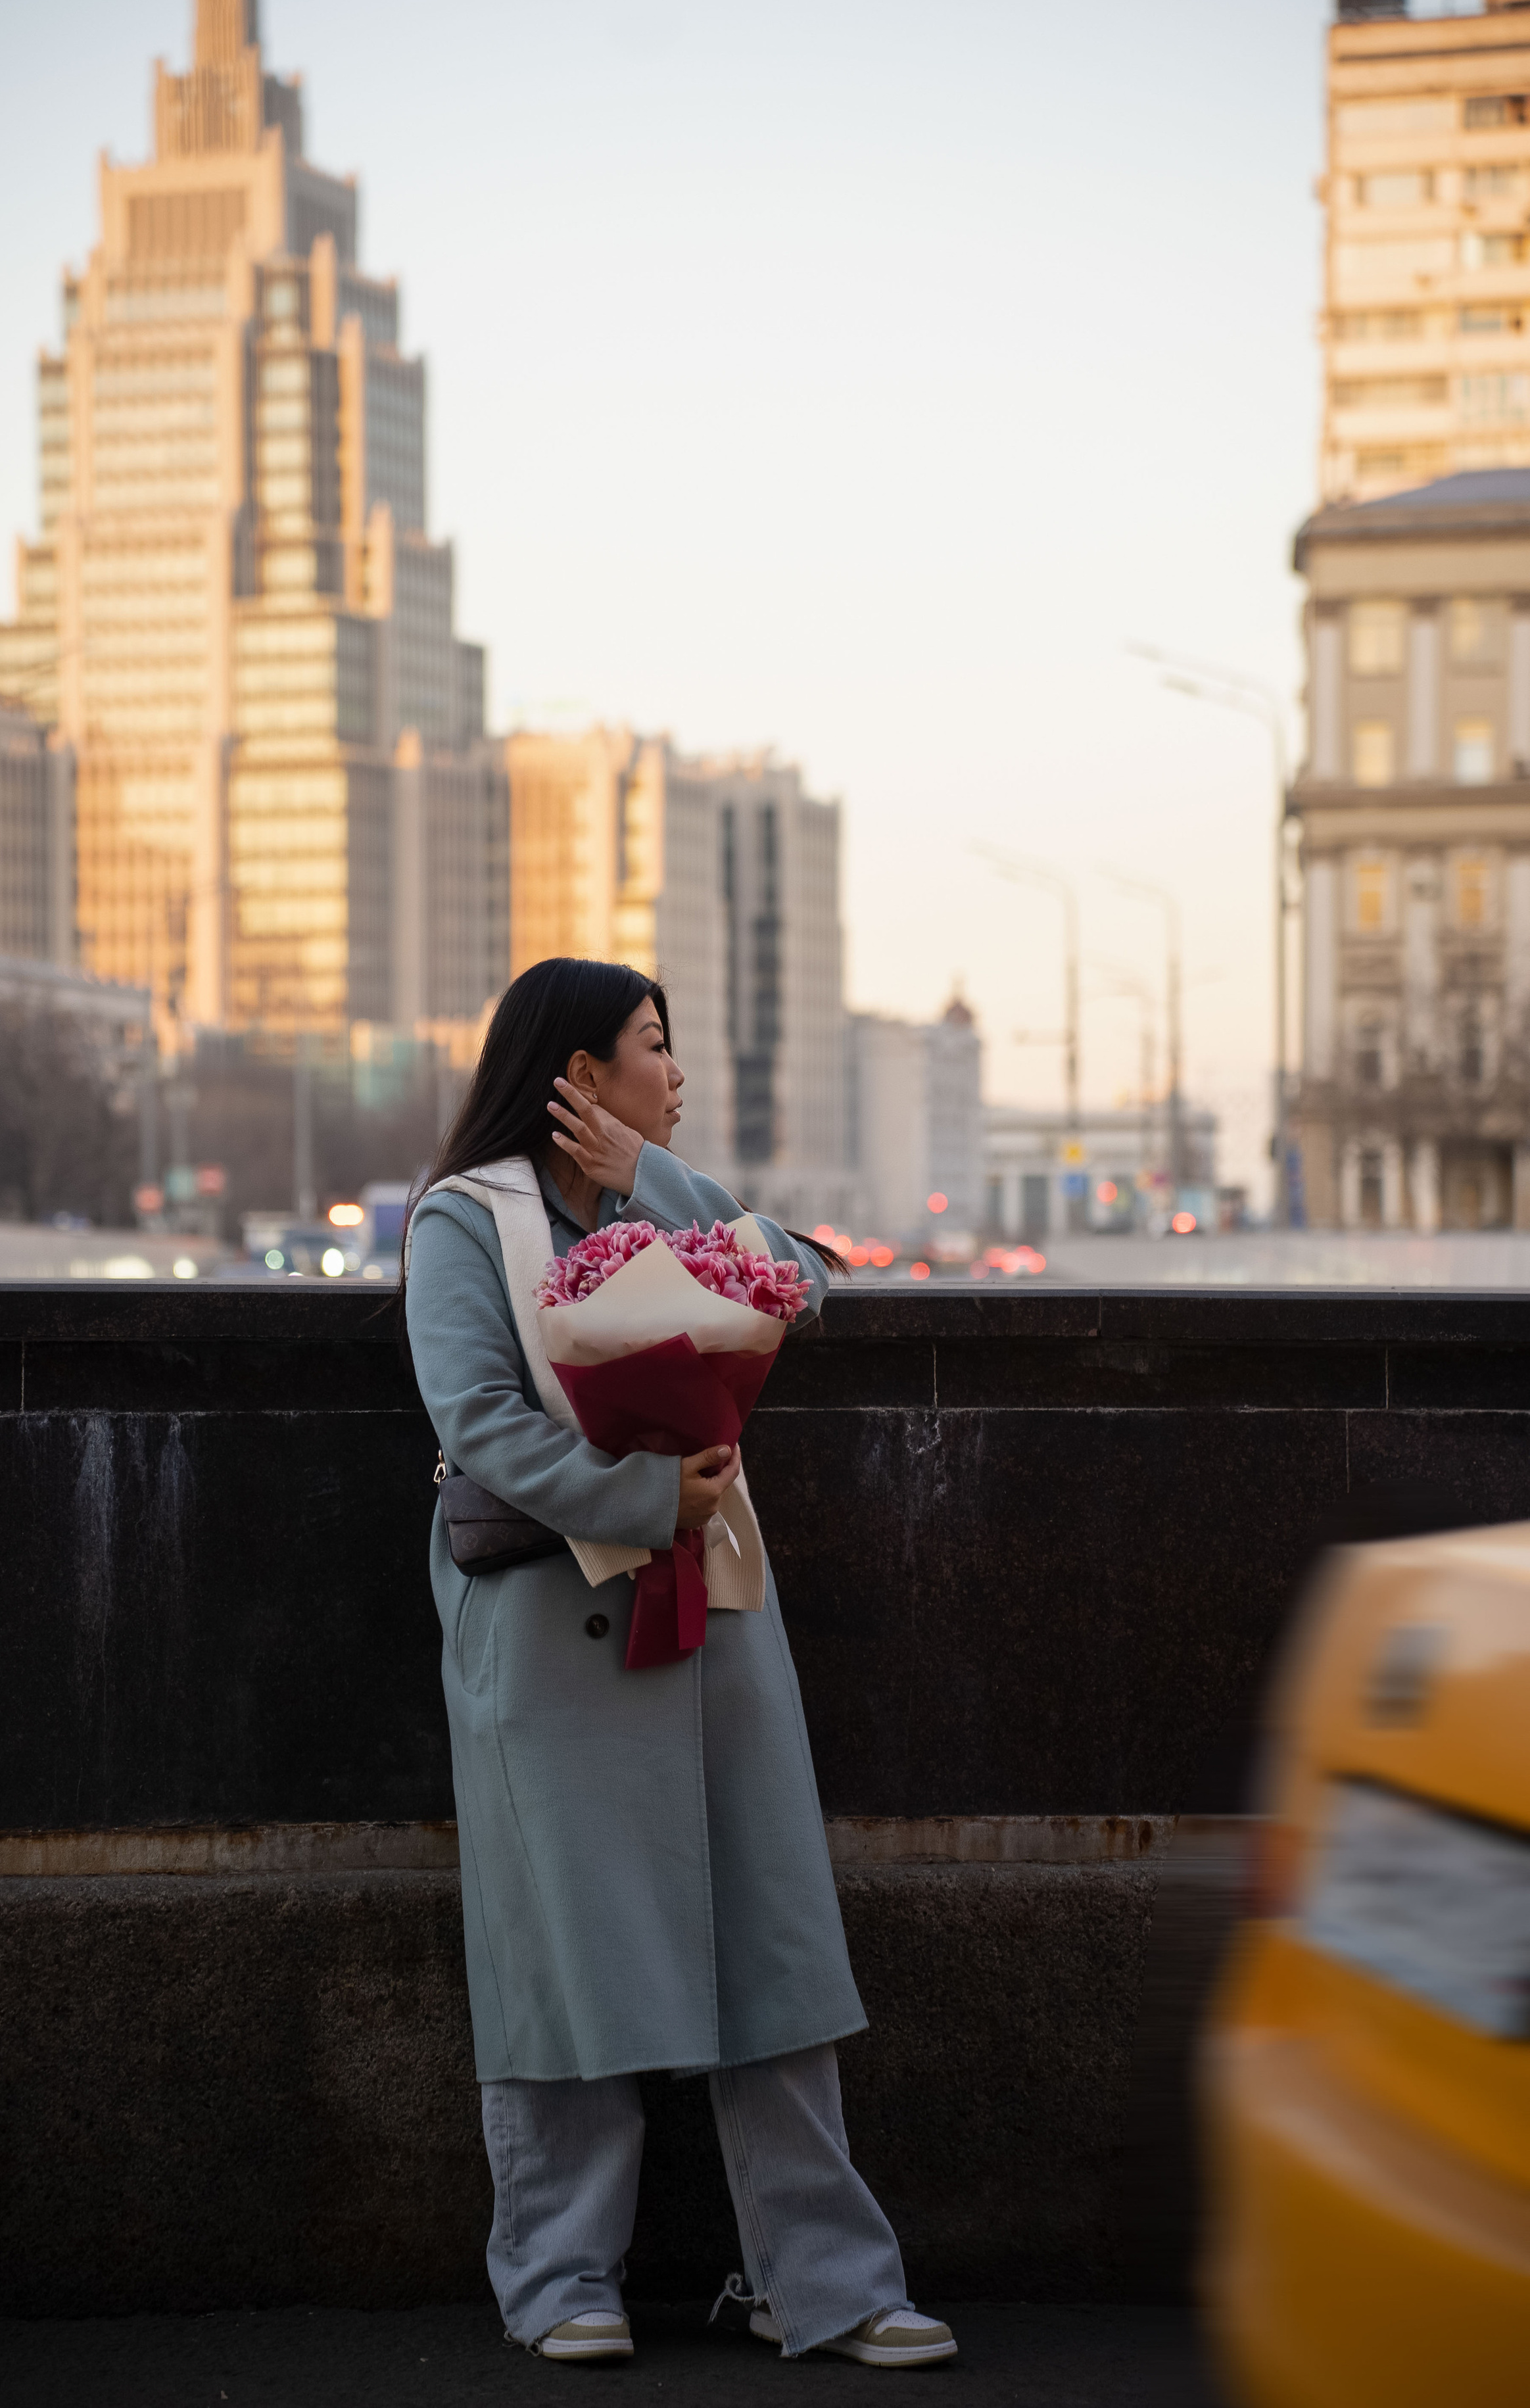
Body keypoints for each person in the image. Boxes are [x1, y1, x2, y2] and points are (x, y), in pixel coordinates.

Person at [403, 956, 955, 2369]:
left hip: (711, 1620)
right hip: (555, 1634)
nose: (676, 1067)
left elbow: (805, 1280)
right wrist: (655, 1499)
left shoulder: (672, 1200)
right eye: (652, 1047)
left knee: (768, 1939)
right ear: (575, 1073)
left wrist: (655, 1174)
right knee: (561, 1954)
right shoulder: (463, 1224)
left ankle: (824, 2280)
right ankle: (558, 2274)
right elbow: (478, 1419)